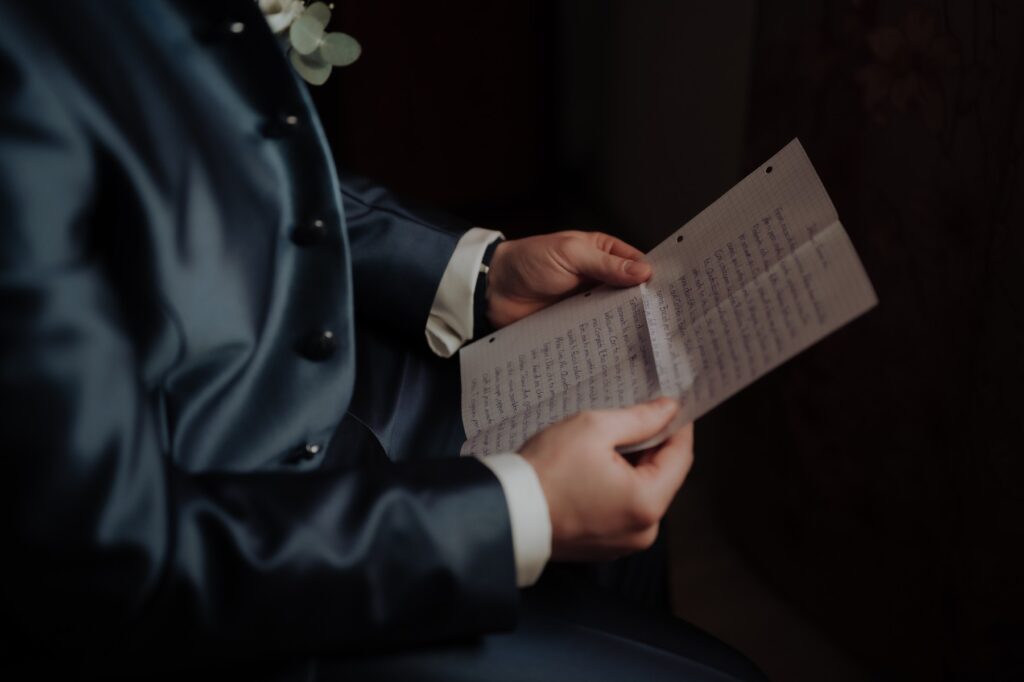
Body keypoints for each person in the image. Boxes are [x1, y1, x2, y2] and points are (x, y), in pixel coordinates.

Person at [0, 3, 765, 679]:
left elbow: (230, 150)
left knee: (617, 443)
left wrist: (477, 271)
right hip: (202, 551)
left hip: (293, 385)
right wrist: (518, 512)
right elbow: (107, 562)